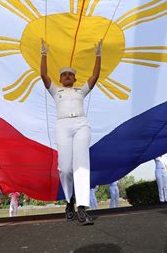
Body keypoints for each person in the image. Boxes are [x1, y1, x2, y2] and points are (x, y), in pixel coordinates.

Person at [40, 38, 102, 225]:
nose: (67, 76)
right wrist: (43, 54)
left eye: (70, 74)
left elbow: (95, 76)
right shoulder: (55, 91)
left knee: (81, 164)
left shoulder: (80, 91)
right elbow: (43, 75)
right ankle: (69, 200)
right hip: (63, 126)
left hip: (81, 124)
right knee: (65, 168)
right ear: (60, 79)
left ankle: (82, 207)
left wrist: (98, 55)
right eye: (64, 74)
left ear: (74, 78)